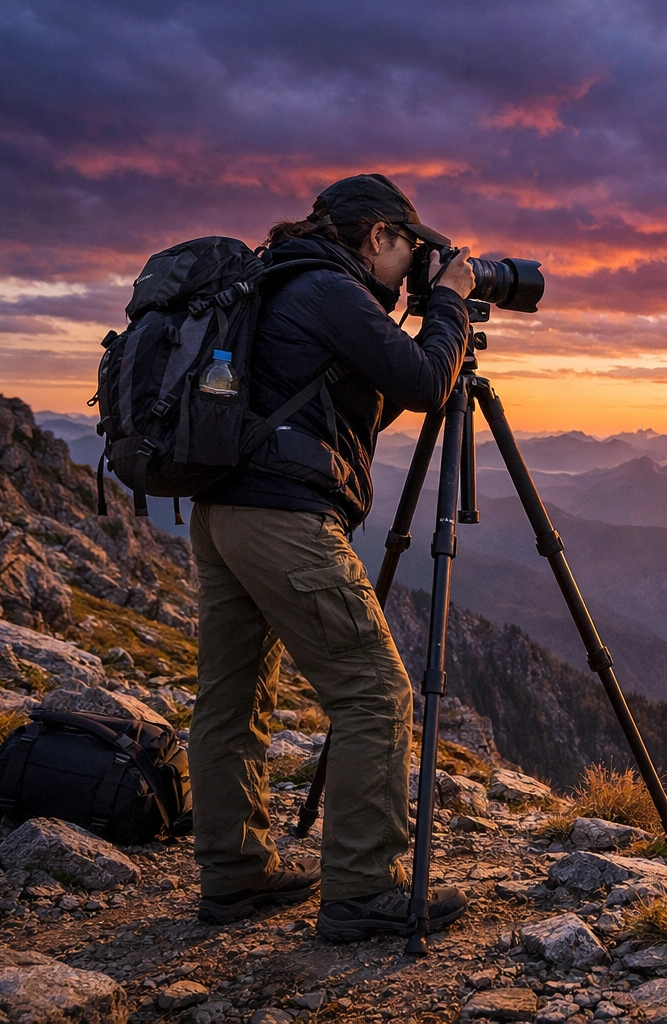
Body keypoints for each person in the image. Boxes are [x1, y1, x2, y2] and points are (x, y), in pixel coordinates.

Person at [187, 173, 474, 941]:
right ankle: (364, 890)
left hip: (222, 513)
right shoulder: (328, 288)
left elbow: (369, 390)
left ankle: (234, 875)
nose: (410, 265)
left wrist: (423, 304)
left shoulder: (278, 277)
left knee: (232, 697)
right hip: (281, 518)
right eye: (408, 249)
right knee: (375, 693)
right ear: (378, 235)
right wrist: (446, 303)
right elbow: (420, 380)